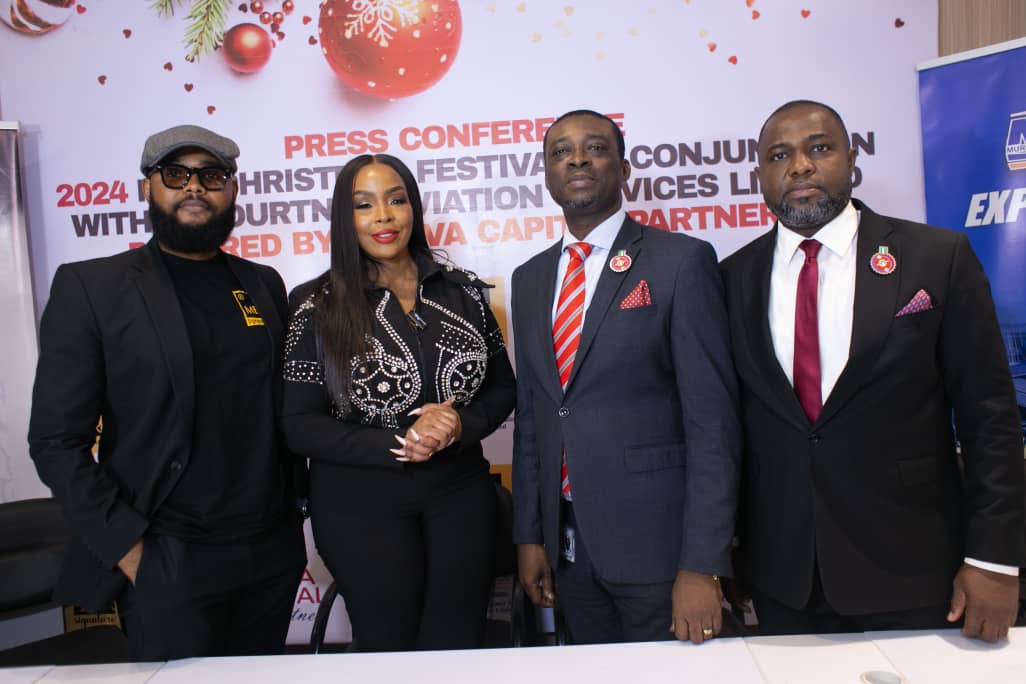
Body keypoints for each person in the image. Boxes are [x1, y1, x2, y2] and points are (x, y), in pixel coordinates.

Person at [720, 100, 1025, 641]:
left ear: (851, 159)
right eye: (779, 155)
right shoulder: (730, 279)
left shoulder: (937, 257)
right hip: (785, 580)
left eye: (819, 148)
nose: (800, 166)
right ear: (760, 175)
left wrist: (995, 560)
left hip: (915, 571)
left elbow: (991, 420)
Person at [28, 124, 307, 660]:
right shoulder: (92, 288)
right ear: (147, 189)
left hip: (267, 549)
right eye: (175, 174)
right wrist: (130, 551)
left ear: (233, 190)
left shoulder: (262, 283)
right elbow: (56, 440)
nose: (194, 187)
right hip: (168, 552)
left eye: (211, 175)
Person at [510, 109, 741, 645]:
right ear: (546, 174)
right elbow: (533, 419)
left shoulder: (680, 261)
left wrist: (704, 563)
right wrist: (530, 536)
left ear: (624, 167)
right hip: (570, 552)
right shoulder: (530, 279)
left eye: (594, 147)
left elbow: (713, 422)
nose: (578, 160)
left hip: (660, 550)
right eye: (561, 152)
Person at [281, 154, 515, 652]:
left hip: (461, 495)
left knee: (459, 640)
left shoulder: (465, 292)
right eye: (364, 205)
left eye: (396, 199)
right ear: (346, 220)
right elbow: (299, 424)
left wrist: (458, 425)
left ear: (414, 207)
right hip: (359, 504)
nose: (384, 217)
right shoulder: (314, 304)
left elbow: (503, 389)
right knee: (388, 646)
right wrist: (400, 441)